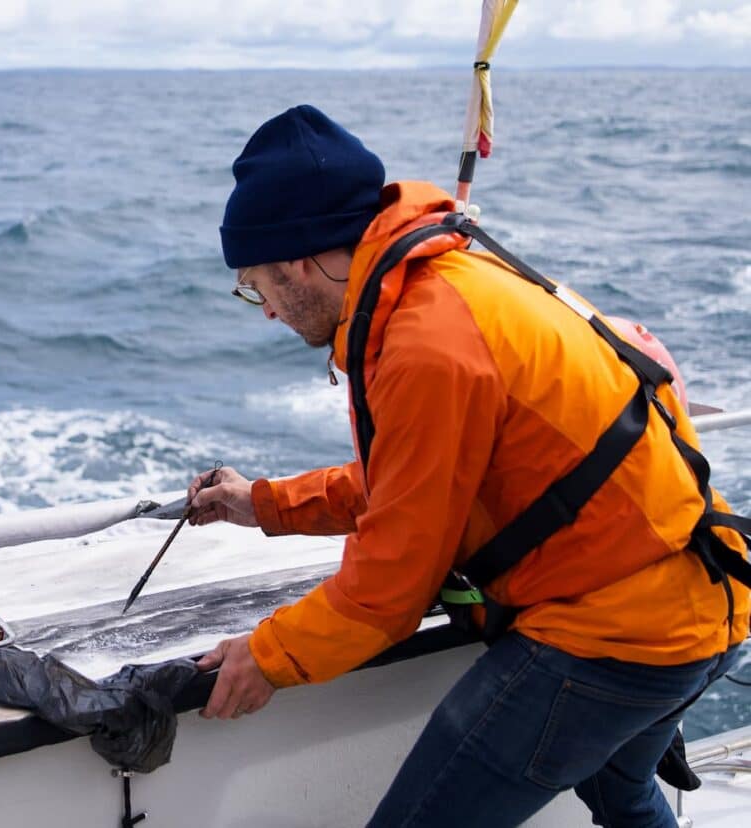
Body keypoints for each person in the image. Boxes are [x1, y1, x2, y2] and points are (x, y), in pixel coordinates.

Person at [187, 104, 749, 827]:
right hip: (706, 598)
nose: (264, 310)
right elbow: (419, 481)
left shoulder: (424, 344)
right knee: (620, 792)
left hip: (617, 637)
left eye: (255, 285)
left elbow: (386, 590)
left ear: (298, 258)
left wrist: (265, 656)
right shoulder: (453, 278)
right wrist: (261, 503)